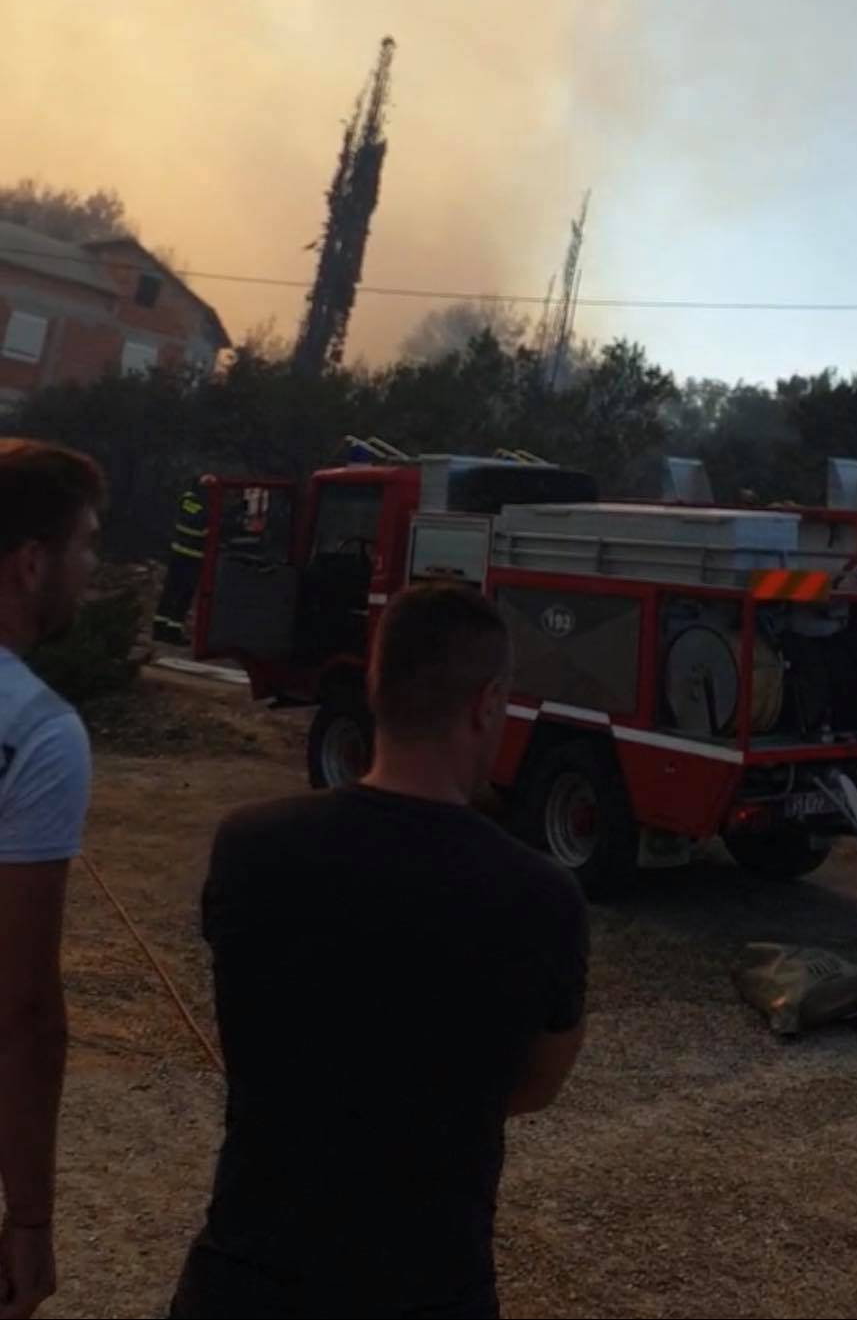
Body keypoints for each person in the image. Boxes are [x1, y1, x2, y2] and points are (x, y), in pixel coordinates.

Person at [173, 582, 588, 1320]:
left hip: (244, 1282)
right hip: (431, 1288)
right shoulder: (540, 897)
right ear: (485, 703)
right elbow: (534, 1084)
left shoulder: (248, 848)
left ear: (373, 685)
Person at [0, 438, 104, 1320]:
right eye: (85, 546)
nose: (92, 569)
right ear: (32, 564)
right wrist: (28, 1217)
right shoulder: (38, 732)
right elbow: (25, 1007)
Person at [152, 477, 211, 648]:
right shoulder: (196, 503)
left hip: (185, 555)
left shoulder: (194, 501)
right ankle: (167, 631)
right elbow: (201, 524)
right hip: (188, 556)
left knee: (177, 593)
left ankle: (166, 629)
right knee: (178, 593)